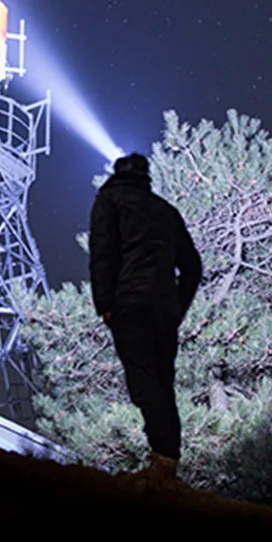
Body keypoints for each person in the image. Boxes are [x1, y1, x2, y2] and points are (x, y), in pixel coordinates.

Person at [89, 152, 202, 483]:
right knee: (163, 382)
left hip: (130, 304)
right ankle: (168, 460)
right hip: (164, 309)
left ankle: (162, 459)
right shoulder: (167, 211)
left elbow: (103, 254)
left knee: (143, 381)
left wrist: (106, 304)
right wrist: (177, 308)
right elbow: (193, 267)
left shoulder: (109, 201)